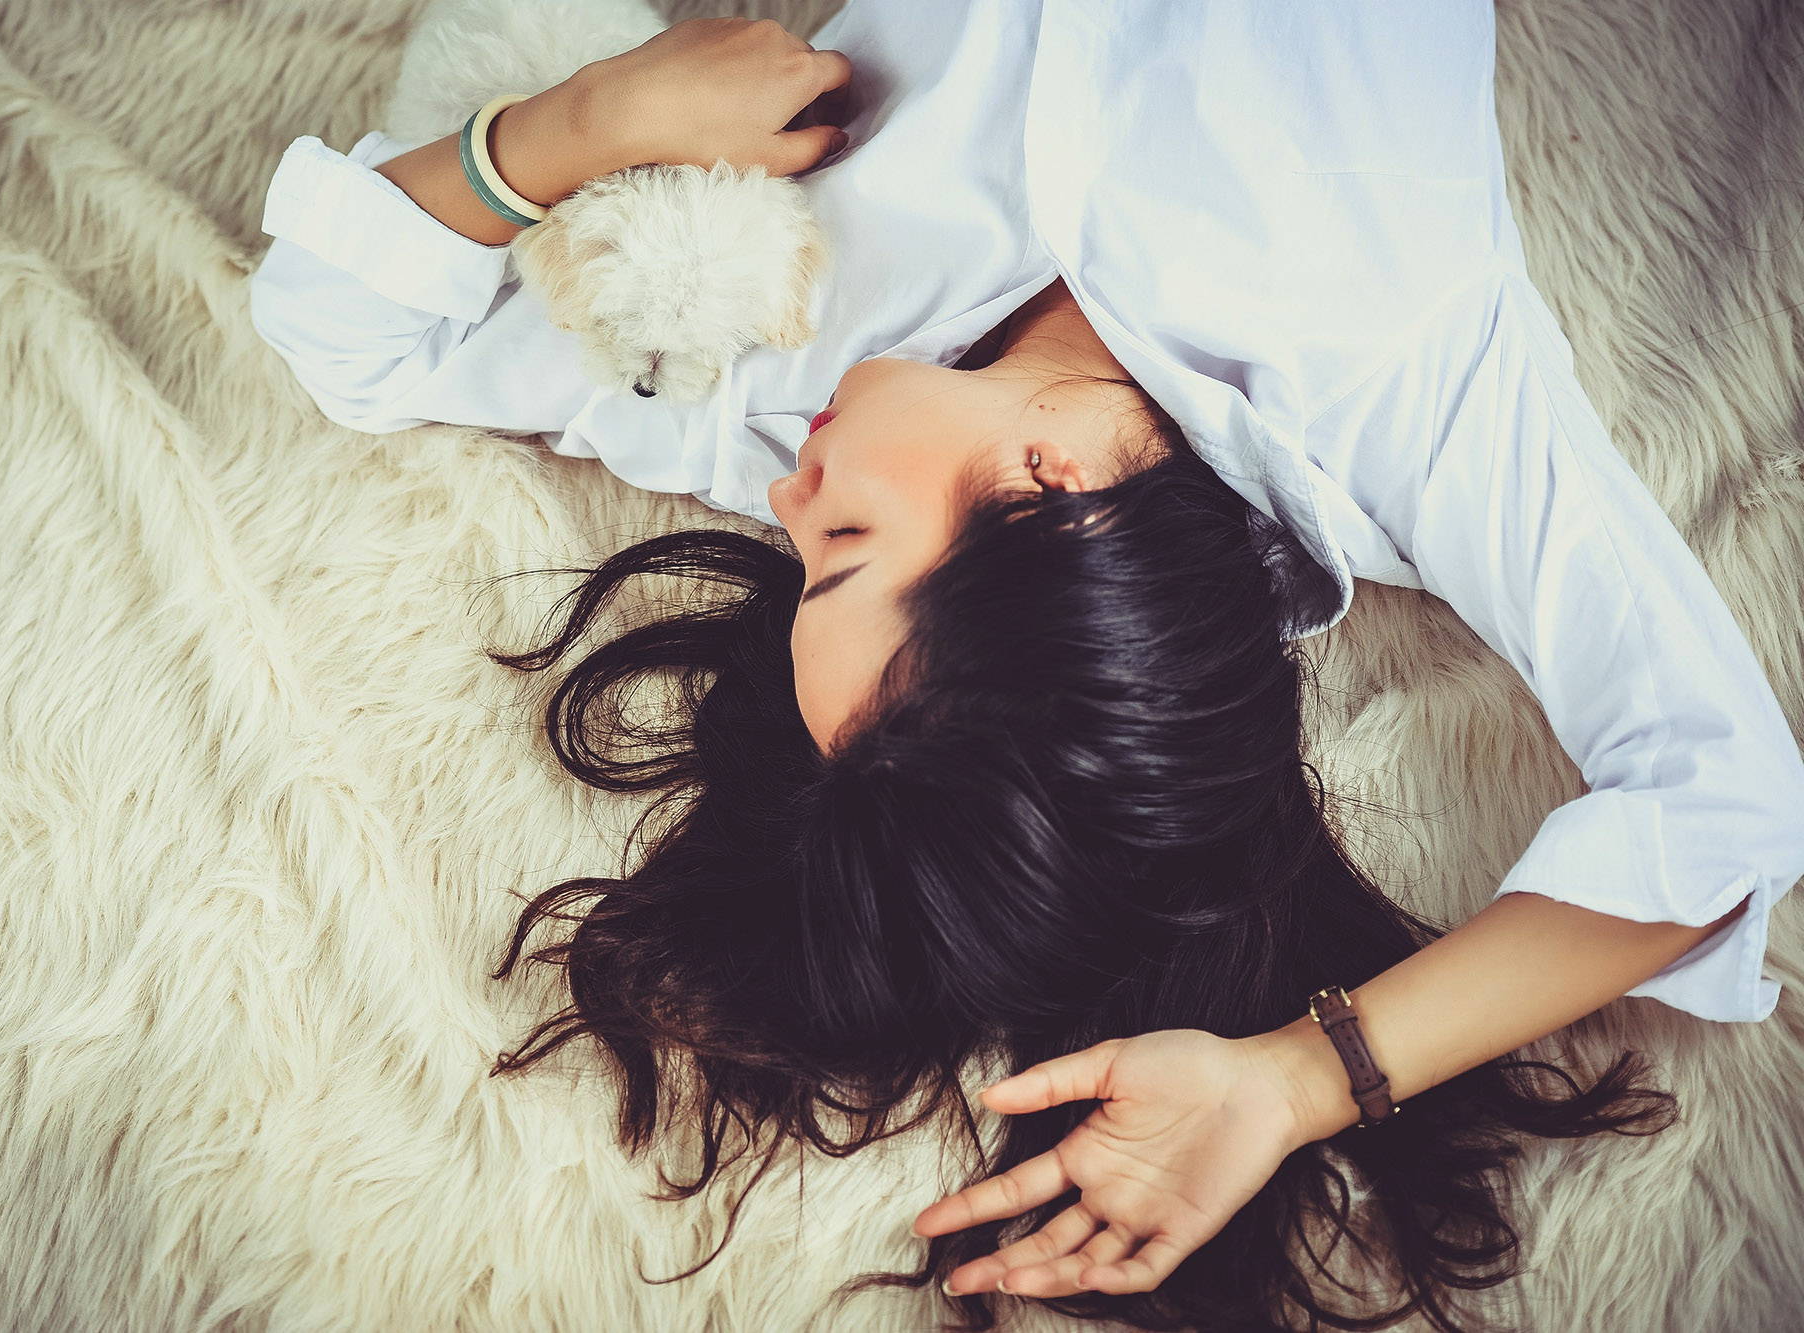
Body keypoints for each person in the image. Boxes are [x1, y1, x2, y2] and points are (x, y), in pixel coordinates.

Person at [246, 4, 1804, 1327]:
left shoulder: (796, 383)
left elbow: (352, 335)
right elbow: (1723, 799)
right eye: (843, 544)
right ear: (1056, 496)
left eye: (803, 565)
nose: (789, 497)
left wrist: (583, 125)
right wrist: (1296, 1081)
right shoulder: (1392, 368)